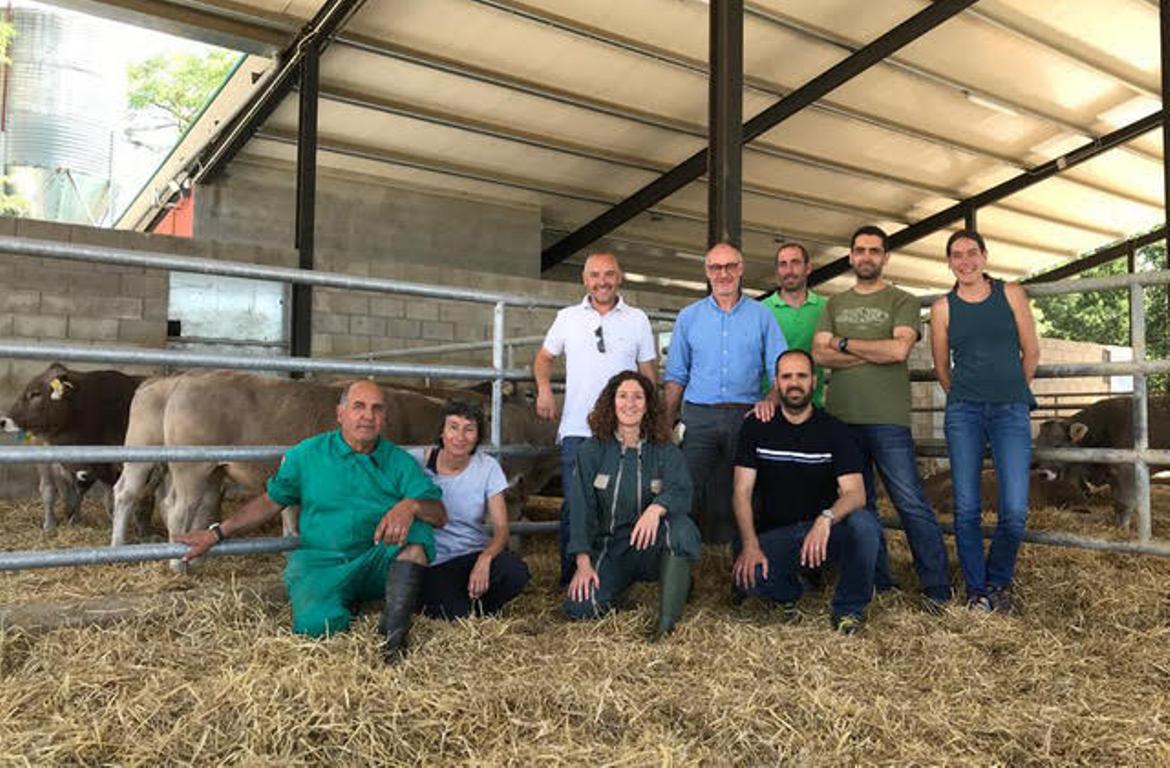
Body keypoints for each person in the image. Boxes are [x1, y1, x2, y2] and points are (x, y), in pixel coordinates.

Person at [176, 380, 447, 663]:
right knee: (316, 628)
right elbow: (271, 501)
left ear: (384, 418)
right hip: (322, 563)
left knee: (418, 530)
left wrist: (411, 505)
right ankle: (341, 603)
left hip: (375, 559)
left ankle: (393, 638)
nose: (368, 415)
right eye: (359, 407)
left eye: (376, 409)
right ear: (340, 414)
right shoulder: (308, 454)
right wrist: (218, 533)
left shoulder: (399, 461)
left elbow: (439, 514)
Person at [812, 225, 952, 609]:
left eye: (874, 250)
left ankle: (937, 587)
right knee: (860, 504)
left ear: (885, 257)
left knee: (910, 502)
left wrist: (844, 344)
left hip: (888, 419)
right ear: (851, 256)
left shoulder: (902, 300)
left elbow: (897, 351)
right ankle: (878, 583)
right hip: (841, 420)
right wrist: (872, 350)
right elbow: (819, 355)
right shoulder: (834, 303)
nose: (867, 257)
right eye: (860, 250)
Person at [732, 350, 880, 634]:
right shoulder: (756, 426)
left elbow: (856, 493)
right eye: (787, 377)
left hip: (820, 533)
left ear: (814, 381)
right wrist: (750, 545)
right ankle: (794, 588)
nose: (794, 383)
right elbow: (741, 492)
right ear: (776, 383)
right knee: (747, 578)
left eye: (802, 376)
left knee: (864, 523)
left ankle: (849, 610)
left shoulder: (835, 430)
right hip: (775, 535)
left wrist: (826, 519)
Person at [930, 230, 1039, 613]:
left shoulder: (1010, 293)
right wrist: (963, 395)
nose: (965, 261)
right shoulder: (943, 308)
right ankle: (977, 590)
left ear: (985, 256)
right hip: (965, 413)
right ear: (948, 262)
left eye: (971, 253)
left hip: (1010, 410)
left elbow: (1032, 349)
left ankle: (998, 581)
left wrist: (1011, 388)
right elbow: (942, 367)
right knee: (966, 507)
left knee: (1013, 510)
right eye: (956, 255)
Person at [534, 252, 658, 585]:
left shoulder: (637, 319)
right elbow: (544, 358)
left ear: (619, 277)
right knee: (577, 504)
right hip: (578, 428)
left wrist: (652, 417)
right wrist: (544, 389)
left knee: (618, 502)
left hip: (624, 429)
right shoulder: (568, 317)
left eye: (608, 274)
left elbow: (648, 372)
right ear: (584, 280)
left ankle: (612, 577)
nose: (602, 281)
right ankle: (571, 579)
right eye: (594, 275)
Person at [664, 242, 787, 543]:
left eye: (730, 266)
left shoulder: (763, 316)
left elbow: (780, 370)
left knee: (746, 490)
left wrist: (770, 402)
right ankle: (679, 555)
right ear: (707, 272)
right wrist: (664, 421)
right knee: (685, 486)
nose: (724, 274)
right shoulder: (688, 317)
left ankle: (743, 556)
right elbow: (676, 375)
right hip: (698, 416)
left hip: (745, 417)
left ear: (741, 269)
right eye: (716, 267)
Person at [564, 370, 700, 640]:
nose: (630, 403)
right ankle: (620, 588)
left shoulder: (665, 449)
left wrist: (656, 508)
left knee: (681, 529)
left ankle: (666, 624)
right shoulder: (592, 450)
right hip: (611, 546)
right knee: (581, 608)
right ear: (611, 402)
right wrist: (583, 561)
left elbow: (682, 490)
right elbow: (580, 508)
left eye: (638, 397)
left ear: (648, 404)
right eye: (623, 396)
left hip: (652, 544)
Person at [410, 399, 531, 619]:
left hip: (472, 554)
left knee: (516, 573)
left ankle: (474, 607)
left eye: (469, 429)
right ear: (441, 432)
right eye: (453, 427)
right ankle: (466, 608)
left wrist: (485, 559)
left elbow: (501, 529)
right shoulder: (416, 462)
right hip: (433, 560)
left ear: (477, 436)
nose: (460, 437)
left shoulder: (488, 467)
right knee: (456, 613)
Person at [759, 242, 827, 407]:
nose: (789, 270)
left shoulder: (825, 308)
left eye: (795, 263)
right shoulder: (760, 311)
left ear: (808, 267)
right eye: (783, 264)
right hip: (771, 407)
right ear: (777, 271)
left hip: (813, 406)